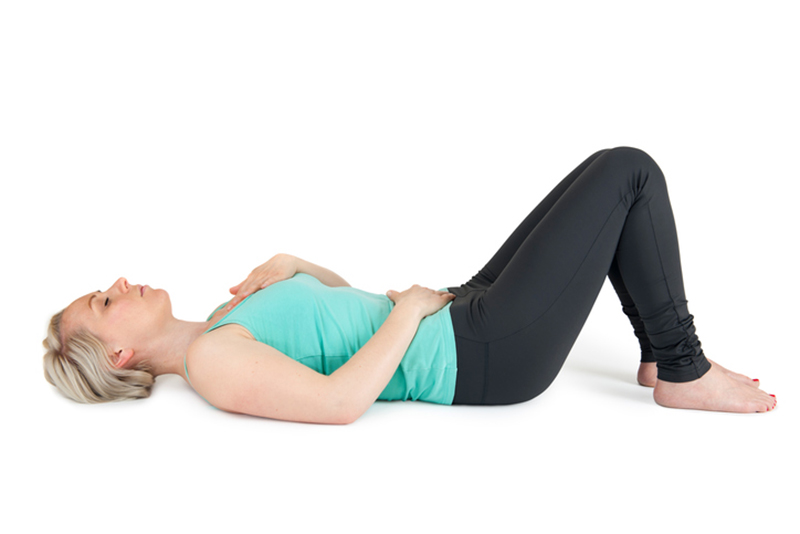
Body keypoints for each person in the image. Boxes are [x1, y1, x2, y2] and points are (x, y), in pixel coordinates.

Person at [42, 147, 777, 423]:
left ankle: (658, 350)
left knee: (602, 176)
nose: (118, 284)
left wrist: (300, 264)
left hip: (459, 315)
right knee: (628, 173)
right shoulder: (212, 364)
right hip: (483, 355)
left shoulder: (220, 321)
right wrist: (417, 310)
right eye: (103, 303)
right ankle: (681, 367)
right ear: (118, 359)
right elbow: (339, 402)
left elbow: (342, 311)